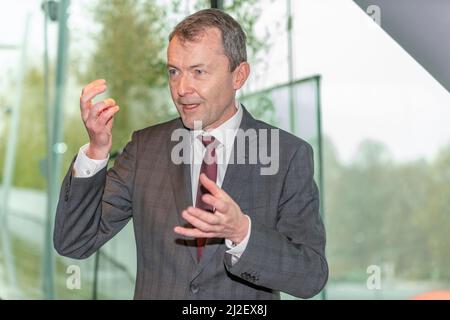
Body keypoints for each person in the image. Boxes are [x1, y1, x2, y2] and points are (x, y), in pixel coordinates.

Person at [54, 8, 328, 300]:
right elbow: (74, 242)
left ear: (239, 75)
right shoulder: (145, 150)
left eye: (199, 72)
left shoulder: (286, 155)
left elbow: (310, 276)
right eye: (174, 72)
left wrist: (241, 232)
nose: (182, 89)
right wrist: (96, 150)